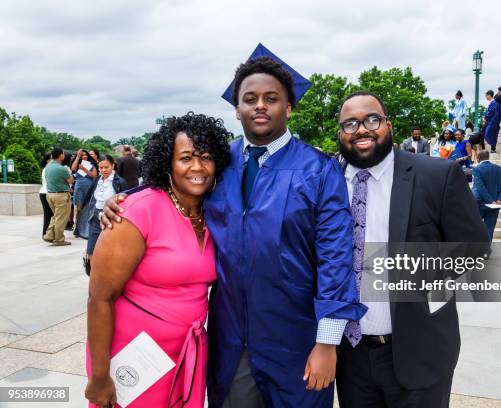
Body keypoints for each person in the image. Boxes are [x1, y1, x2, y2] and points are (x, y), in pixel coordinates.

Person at [101, 56, 366, 407]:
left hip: (297, 341)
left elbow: (336, 260)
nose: (260, 105)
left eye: (271, 98)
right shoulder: (220, 163)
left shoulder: (319, 170)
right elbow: (175, 189)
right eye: (249, 98)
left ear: (288, 108)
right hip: (232, 341)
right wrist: (122, 199)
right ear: (237, 109)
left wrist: (327, 343)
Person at [335, 91, 489, 408]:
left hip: (420, 352)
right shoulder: (327, 183)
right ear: (340, 133)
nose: (361, 129)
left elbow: (475, 252)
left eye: (372, 120)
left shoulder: (437, 175)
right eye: (350, 124)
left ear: (388, 125)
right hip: (350, 358)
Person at [85, 113, 231, 408]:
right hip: (137, 354)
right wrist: (100, 377)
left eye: (206, 157)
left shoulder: (214, 213)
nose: (197, 167)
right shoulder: (138, 211)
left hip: (186, 352)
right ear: (167, 163)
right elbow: (99, 298)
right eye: (186, 157)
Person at [80, 155, 129, 275]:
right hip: (95, 216)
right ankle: (94, 276)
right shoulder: (97, 180)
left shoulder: (120, 182)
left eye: (106, 167)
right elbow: (90, 197)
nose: (103, 170)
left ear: (113, 166)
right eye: (100, 167)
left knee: (111, 249)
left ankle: (111, 276)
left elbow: (126, 201)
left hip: (111, 217)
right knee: (91, 248)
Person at [472, 150, 501, 240]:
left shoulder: (476, 169)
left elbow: (480, 187)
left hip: (480, 203)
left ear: (478, 158)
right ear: (488, 157)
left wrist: (491, 201)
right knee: (489, 229)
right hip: (495, 204)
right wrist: (499, 199)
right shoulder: (498, 168)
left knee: (475, 227)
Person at [43, 148, 74, 246]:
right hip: (61, 196)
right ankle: (59, 240)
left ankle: (49, 235)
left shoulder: (47, 167)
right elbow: (71, 180)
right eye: (63, 154)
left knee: (56, 216)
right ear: (61, 155)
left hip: (50, 194)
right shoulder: (62, 168)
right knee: (61, 218)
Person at [71, 149, 97, 237]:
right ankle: (77, 228)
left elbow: (94, 176)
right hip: (79, 188)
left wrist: (84, 169)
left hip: (89, 187)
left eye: (85, 155)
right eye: (82, 155)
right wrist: (78, 156)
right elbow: (73, 169)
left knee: (87, 208)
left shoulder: (91, 164)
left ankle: (86, 228)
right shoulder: (78, 163)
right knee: (78, 208)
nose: (84, 156)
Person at [39, 153, 54, 237]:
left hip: (44, 193)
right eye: (52, 158)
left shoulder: (46, 168)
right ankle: (46, 234)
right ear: (48, 160)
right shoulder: (48, 168)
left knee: (49, 215)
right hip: (46, 193)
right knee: (49, 215)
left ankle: (47, 233)